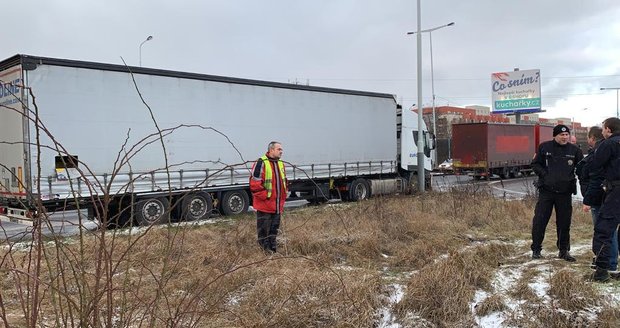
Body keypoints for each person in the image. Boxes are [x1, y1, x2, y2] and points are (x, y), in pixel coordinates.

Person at [531, 124, 584, 261]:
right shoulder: (544, 147)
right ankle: (536, 250)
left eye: (567, 135)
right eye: (562, 135)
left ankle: (563, 250)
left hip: (565, 193)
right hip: (546, 192)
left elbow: (582, 168)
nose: (565, 137)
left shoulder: (575, 150)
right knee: (540, 221)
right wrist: (545, 176)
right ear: (555, 135)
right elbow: (535, 164)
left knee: (564, 223)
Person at [578, 127, 617, 271]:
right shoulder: (609, 148)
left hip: (602, 197)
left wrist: (588, 200)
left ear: (592, 138)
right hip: (609, 195)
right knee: (609, 230)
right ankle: (608, 261)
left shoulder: (603, 150)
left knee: (604, 230)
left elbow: (596, 177)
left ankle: (607, 264)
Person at [586, 117, 620, 281]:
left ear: (609, 130)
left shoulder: (609, 144)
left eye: (604, 128)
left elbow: (595, 165)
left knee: (604, 229)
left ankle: (601, 272)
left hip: (616, 191)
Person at [250, 141, 287, 253]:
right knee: (263, 231)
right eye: (279, 149)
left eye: (281, 149)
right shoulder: (261, 162)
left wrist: (284, 194)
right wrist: (265, 197)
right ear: (271, 150)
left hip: (276, 205)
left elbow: (284, 181)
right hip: (265, 205)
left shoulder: (280, 163)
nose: (281, 151)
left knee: (274, 229)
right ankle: (265, 251)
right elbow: (254, 183)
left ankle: (273, 249)